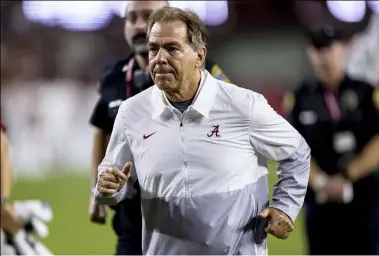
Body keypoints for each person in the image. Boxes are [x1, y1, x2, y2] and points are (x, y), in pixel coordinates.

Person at [95, 6, 311, 255]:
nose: (160, 58)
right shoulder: (132, 112)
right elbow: (113, 179)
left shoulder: (242, 105)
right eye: (154, 48)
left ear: (199, 56)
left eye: (172, 48)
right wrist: (107, 187)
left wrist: (285, 206)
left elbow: (297, 153)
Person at [88, 1, 231, 255]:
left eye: (148, 17)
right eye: (131, 18)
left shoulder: (204, 72)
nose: (139, 26)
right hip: (132, 220)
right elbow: (101, 130)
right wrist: (96, 189)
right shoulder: (114, 78)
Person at [283, 25, 379, 255]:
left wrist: (347, 177)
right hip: (321, 207)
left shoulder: (365, 93)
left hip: (364, 203)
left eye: (328, 48)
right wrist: (322, 183)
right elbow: (291, 149)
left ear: (343, 50)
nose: (323, 56)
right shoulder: (301, 97)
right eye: (317, 49)